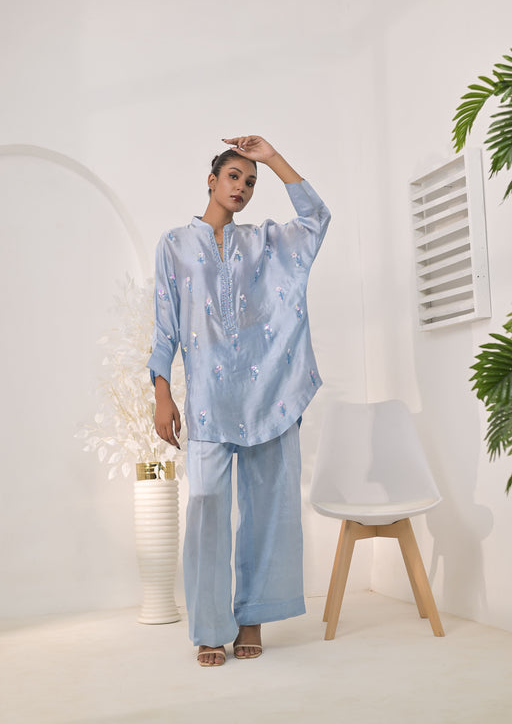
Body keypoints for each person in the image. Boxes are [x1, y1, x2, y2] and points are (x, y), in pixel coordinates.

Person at [147, 135, 330, 666]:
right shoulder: (175, 245)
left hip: (268, 393)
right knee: (206, 507)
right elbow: (165, 325)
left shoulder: (264, 241)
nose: (243, 189)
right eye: (234, 177)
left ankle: (252, 617)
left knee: (269, 508)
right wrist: (162, 393)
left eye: (251, 182)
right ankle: (210, 626)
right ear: (212, 180)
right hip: (209, 399)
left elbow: (316, 219)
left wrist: (272, 158)